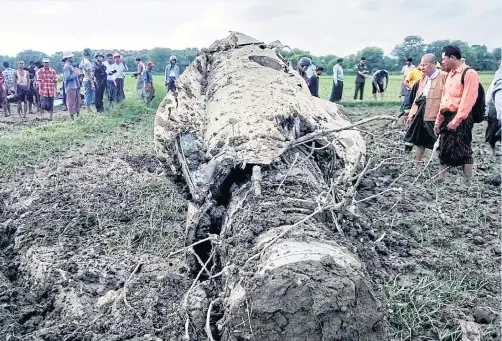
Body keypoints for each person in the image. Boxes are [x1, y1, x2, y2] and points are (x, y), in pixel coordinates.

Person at [434, 45, 480, 179]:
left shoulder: (469, 73)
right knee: (443, 147)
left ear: (452, 57)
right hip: (447, 115)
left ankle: (468, 183)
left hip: (461, 118)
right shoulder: (450, 75)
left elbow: (468, 100)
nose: (442, 62)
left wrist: (456, 121)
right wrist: (439, 121)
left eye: (444, 59)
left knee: (463, 149)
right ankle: (440, 180)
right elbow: (444, 100)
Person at [404, 54, 447, 166]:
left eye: (425, 65)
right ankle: (417, 163)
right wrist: (411, 114)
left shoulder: (444, 77)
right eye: (421, 65)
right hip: (422, 111)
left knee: (440, 140)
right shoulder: (423, 78)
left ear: (433, 64)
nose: (422, 67)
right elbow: (416, 98)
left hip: (437, 114)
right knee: (419, 139)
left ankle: (445, 165)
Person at [485, 61, 502, 155]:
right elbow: (491, 91)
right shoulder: (498, 78)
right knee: (492, 127)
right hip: (494, 105)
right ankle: (491, 147)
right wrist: (486, 104)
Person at [62, 51, 81, 119]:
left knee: (77, 101)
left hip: (75, 86)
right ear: (67, 58)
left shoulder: (70, 66)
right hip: (71, 87)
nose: (72, 58)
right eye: (71, 57)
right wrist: (75, 74)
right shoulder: (67, 66)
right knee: (71, 102)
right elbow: (67, 78)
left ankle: (78, 116)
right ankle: (72, 117)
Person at [79, 48, 95, 113]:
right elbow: (89, 73)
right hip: (88, 80)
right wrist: (92, 83)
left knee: (87, 93)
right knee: (90, 94)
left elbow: (80, 70)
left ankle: (88, 108)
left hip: (85, 80)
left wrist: (81, 78)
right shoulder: (87, 62)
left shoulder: (82, 61)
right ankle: (88, 109)